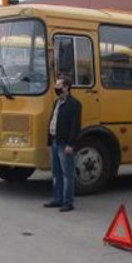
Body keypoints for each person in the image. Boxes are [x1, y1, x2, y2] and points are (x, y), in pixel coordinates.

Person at [43, 75, 82, 212]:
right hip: (54, 141)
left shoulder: (74, 104)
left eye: (59, 86)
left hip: (64, 143)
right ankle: (57, 199)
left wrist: (71, 144)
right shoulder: (57, 102)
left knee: (67, 174)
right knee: (56, 172)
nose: (56, 88)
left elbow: (75, 126)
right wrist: (49, 142)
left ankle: (67, 202)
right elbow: (52, 121)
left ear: (66, 87)